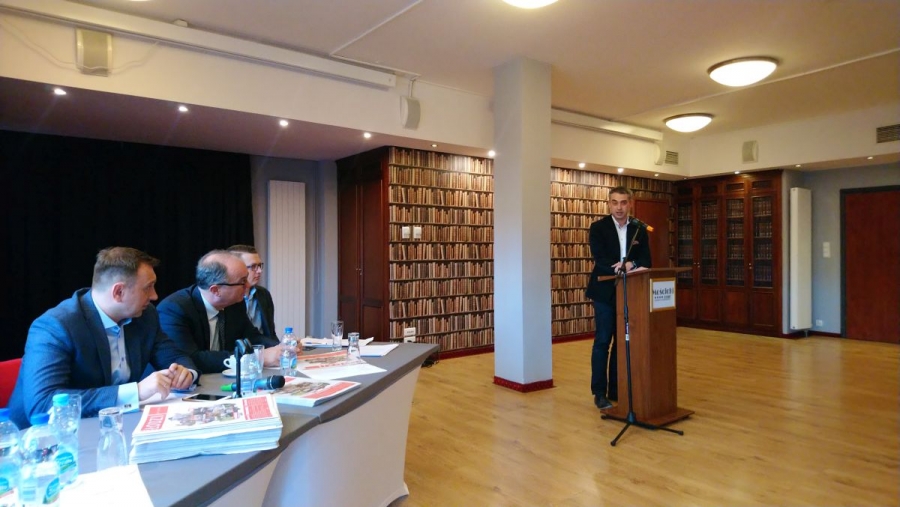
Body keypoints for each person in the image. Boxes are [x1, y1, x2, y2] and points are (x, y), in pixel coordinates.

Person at [8, 247, 198, 428]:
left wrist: (186, 373)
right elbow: (43, 404)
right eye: (148, 288)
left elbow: (173, 356)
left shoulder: (145, 316)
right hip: (45, 438)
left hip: (114, 425)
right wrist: (136, 392)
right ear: (118, 292)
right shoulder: (56, 326)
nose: (155, 296)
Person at [158, 250, 281, 374]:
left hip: (222, 378)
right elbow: (190, 358)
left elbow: (251, 336)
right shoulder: (174, 309)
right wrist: (255, 358)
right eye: (243, 281)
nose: (248, 285)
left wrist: (281, 348)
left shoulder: (235, 303)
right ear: (216, 290)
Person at [584, 186, 652, 410]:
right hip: (605, 292)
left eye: (623, 202)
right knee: (603, 341)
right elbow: (600, 259)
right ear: (609, 204)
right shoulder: (598, 227)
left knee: (621, 343)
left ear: (630, 203)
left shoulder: (639, 229)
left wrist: (632, 263)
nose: (619, 207)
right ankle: (599, 392)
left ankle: (616, 389)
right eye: (615, 202)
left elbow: (646, 259)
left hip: (630, 293)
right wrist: (620, 267)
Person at [227, 245, 276, 338]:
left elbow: (271, 333)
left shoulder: (264, 294)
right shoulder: (227, 298)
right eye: (253, 266)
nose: (259, 271)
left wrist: (284, 345)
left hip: (263, 345)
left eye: (260, 265)